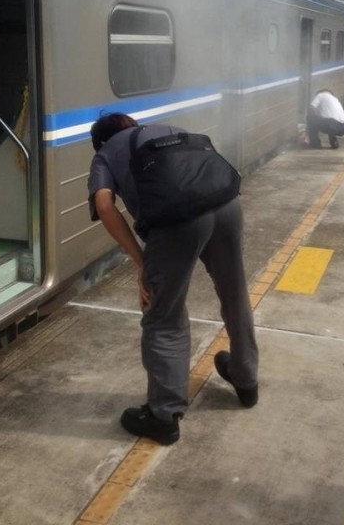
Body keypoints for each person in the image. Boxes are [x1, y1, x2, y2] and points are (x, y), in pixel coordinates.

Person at [87, 113, 258, 445]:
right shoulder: (172, 129)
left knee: (163, 313)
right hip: (227, 204)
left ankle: (163, 415)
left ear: (101, 142)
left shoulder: (105, 153)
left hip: (178, 220)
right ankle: (246, 378)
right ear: (131, 125)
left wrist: (141, 263)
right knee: (234, 291)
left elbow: (105, 205)